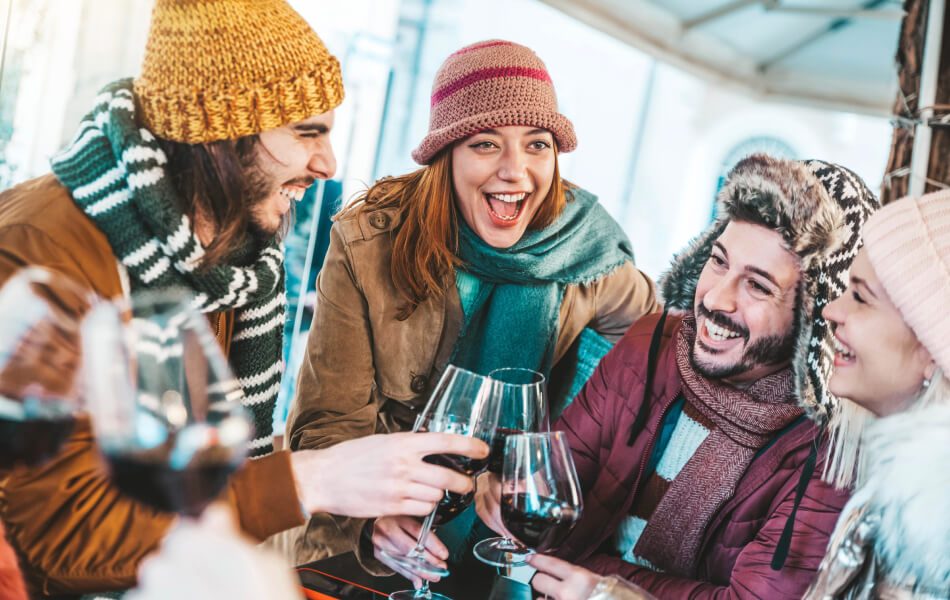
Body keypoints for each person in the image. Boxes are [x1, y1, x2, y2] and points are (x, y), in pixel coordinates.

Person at [0, 0, 487, 595]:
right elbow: (62, 540)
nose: (327, 164)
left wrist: (351, 503)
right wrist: (309, 480)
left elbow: (214, 487)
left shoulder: (235, 257)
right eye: (307, 131)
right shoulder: (41, 249)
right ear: (216, 138)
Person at [285, 39, 661, 570]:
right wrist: (371, 522)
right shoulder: (370, 242)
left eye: (537, 145)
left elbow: (658, 356)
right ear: (446, 155)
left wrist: (558, 456)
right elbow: (327, 424)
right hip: (369, 545)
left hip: (506, 551)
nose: (516, 171)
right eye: (486, 144)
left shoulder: (587, 254)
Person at [477, 154, 881, 599]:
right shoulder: (651, 345)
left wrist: (602, 586)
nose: (716, 299)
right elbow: (552, 495)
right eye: (719, 261)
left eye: (758, 286)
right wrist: (502, 492)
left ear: (812, 317)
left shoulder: (833, 447)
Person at [804, 190, 950, 599]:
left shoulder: (930, 536)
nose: (831, 310)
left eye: (861, 298)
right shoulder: (897, 493)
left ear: (934, 347)